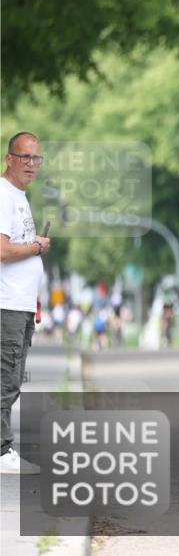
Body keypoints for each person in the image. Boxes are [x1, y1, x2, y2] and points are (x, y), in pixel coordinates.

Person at [1, 132, 48, 474]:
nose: (31, 164)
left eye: (36, 159)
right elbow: (2, 250)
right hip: (7, 306)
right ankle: (2, 452)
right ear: (9, 158)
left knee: (12, 379)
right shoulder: (3, 195)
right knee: (5, 380)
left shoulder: (18, 196)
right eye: (25, 157)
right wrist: (37, 247)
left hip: (21, 304)